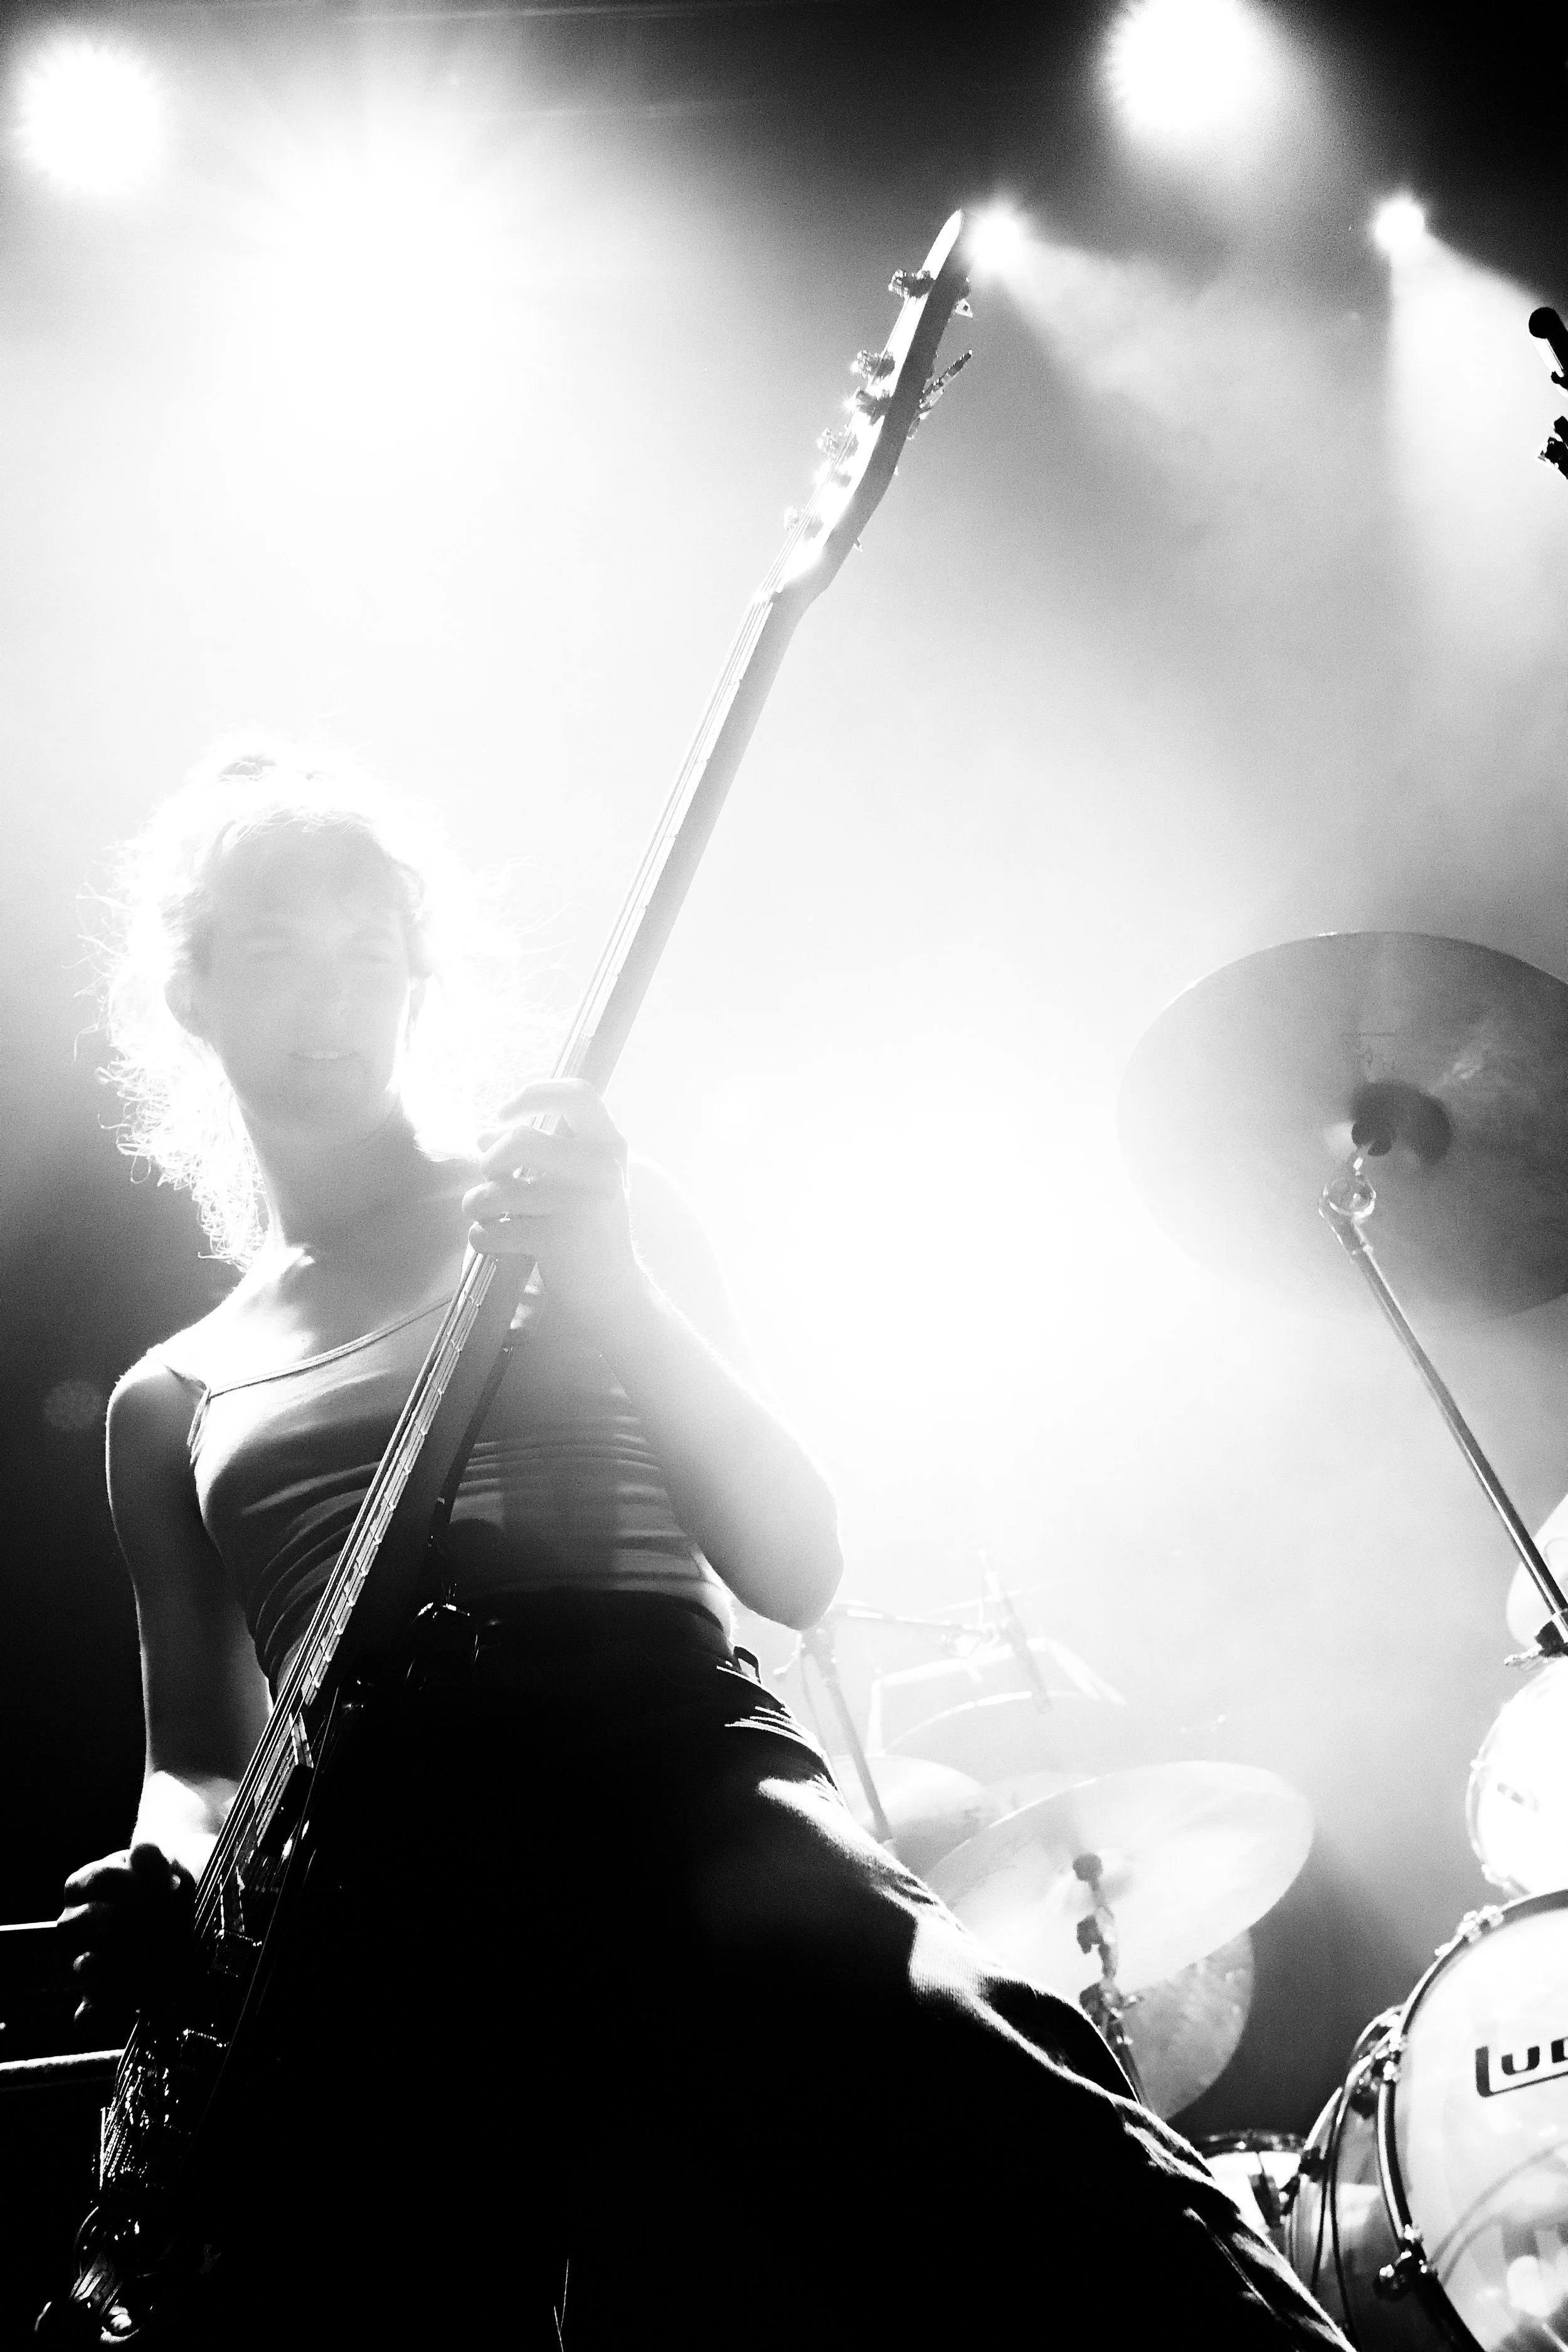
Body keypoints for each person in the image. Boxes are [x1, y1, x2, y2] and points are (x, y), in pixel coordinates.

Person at [60, 748, 1348, 2348]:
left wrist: (610, 1285)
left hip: (659, 1771)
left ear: (417, 982)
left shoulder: (574, 1204)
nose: (330, 998)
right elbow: (197, 1758)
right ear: (187, 989)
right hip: (375, 1887)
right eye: (273, 951)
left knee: (1024, 2134)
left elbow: (793, 1563)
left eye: (366, 954)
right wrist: (167, 1872)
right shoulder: (166, 1396)